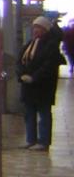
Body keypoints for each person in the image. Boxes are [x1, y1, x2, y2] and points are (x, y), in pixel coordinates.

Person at [17, 16, 63, 151]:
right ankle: (30, 139)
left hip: (43, 86)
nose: (35, 30)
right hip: (28, 87)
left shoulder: (51, 46)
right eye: (35, 27)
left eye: (39, 28)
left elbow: (48, 66)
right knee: (29, 113)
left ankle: (44, 142)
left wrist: (34, 77)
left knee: (44, 114)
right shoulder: (30, 43)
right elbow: (20, 60)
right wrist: (21, 74)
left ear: (45, 29)